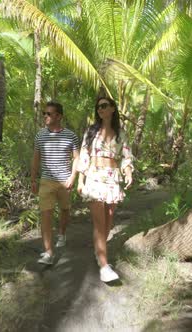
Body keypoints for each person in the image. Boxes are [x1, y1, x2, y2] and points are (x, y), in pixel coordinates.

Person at [77, 97, 134, 282]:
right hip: (94, 177)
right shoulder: (91, 131)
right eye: (98, 107)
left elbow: (126, 156)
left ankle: (98, 251)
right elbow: (84, 155)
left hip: (112, 178)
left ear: (112, 109)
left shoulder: (120, 133)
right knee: (99, 223)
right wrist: (80, 180)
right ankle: (104, 265)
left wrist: (128, 173)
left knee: (108, 222)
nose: (100, 109)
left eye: (104, 106)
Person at [31, 101, 80, 265]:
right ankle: (49, 253)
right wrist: (33, 179)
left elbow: (77, 159)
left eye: (49, 114)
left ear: (59, 116)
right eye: (44, 113)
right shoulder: (40, 135)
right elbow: (36, 158)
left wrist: (72, 177)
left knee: (65, 210)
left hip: (64, 181)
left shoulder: (71, 136)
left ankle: (62, 233)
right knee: (46, 215)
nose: (45, 116)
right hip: (46, 181)